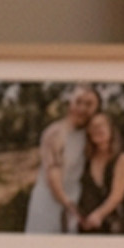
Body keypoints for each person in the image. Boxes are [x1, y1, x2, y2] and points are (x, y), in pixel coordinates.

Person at [22, 85, 99, 233]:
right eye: (78, 101)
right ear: (70, 103)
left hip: (74, 198)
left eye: (89, 104)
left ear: (96, 108)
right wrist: (71, 207)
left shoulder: (90, 135)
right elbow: (53, 176)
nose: (82, 108)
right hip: (48, 202)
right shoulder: (55, 133)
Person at [77, 112, 124, 234]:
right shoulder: (86, 160)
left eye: (101, 125)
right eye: (93, 127)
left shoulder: (121, 159)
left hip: (111, 224)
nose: (98, 130)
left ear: (110, 129)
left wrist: (98, 215)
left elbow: (117, 196)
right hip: (85, 224)